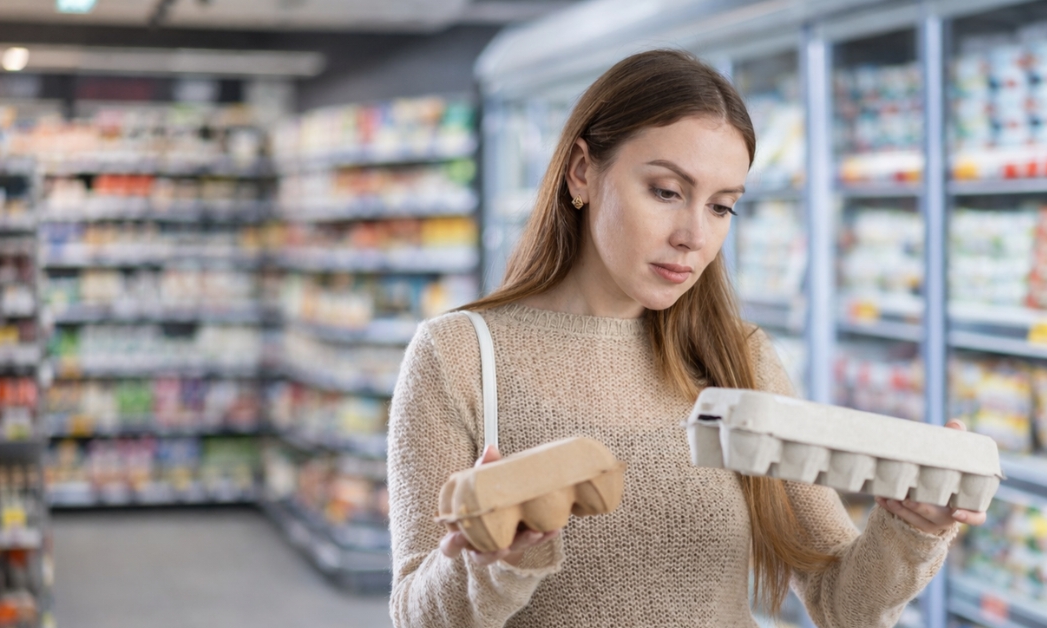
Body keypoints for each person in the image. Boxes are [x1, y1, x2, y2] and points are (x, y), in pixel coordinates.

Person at [387, 49, 986, 628]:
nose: (694, 235)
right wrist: (492, 562)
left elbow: (842, 605)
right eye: (667, 192)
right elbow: (416, 618)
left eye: (722, 207)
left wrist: (914, 527)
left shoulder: (739, 359)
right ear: (581, 173)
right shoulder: (459, 357)